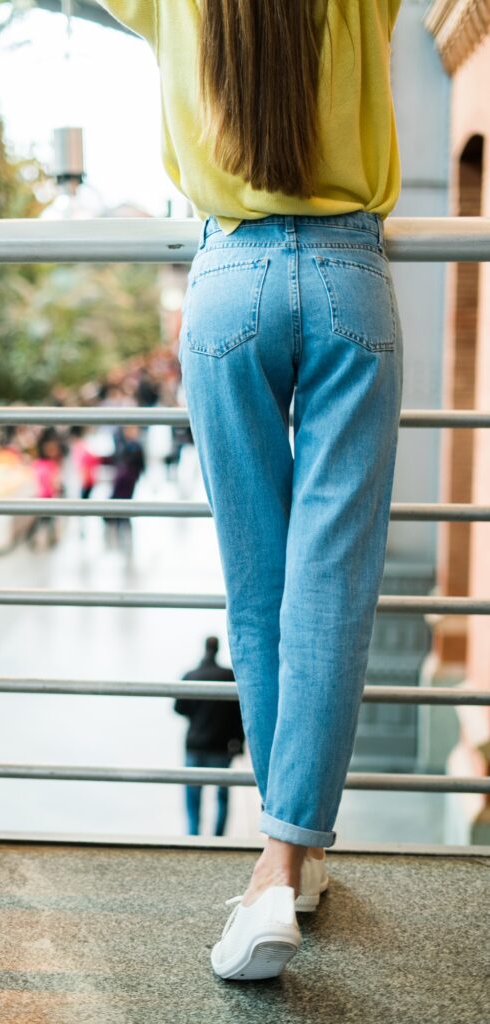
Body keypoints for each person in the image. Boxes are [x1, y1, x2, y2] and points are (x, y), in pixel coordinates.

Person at [97, 0, 404, 980]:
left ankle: (283, 866)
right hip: (351, 273)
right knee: (328, 588)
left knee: (260, 590)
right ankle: (285, 860)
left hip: (228, 278)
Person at [174, 636, 245, 837]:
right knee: (222, 796)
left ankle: (193, 836)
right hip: (222, 746)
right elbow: (240, 715)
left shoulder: (190, 675)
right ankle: (218, 837)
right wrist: (239, 743)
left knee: (193, 797)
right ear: (218, 649)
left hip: (195, 744)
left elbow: (179, 708)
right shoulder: (229, 676)